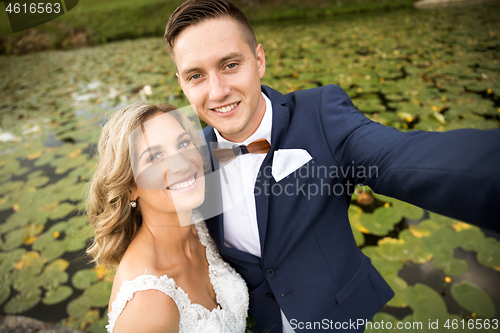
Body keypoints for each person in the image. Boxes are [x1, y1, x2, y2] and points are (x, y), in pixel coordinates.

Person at [164, 0, 500, 332]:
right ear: (182, 84)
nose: (218, 91)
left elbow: (401, 159)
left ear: (259, 60)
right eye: (196, 75)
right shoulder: (194, 159)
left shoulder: (321, 115)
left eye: (230, 65)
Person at [86, 102, 249, 333]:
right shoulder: (148, 302)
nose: (182, 163)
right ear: (131, 187)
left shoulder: (201, 221)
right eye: (154, 157)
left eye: (183, 143)